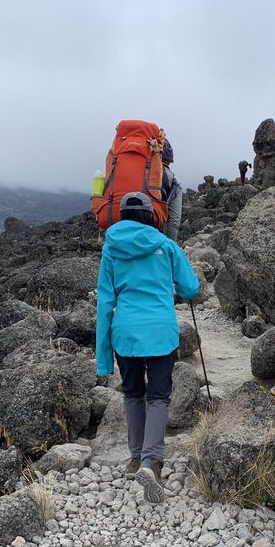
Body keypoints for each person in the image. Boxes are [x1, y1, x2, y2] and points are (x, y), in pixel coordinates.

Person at [95, 192, 200, 503]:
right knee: (158, 396)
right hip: (159, 332)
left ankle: (135, 456)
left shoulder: (111, 250)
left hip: (125, 334)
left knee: (132, 394)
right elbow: (192, 287)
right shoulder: (165, 246)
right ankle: (151, 462)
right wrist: (175, 291)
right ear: (152, 217)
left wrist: (102, 362)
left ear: (122, 217)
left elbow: (105, 304)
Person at [161, 140, 183, 242]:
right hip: (156, 241)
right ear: (169, 160)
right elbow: (174, 221)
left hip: (117, 241)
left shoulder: (133, 173)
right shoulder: (173, 180)